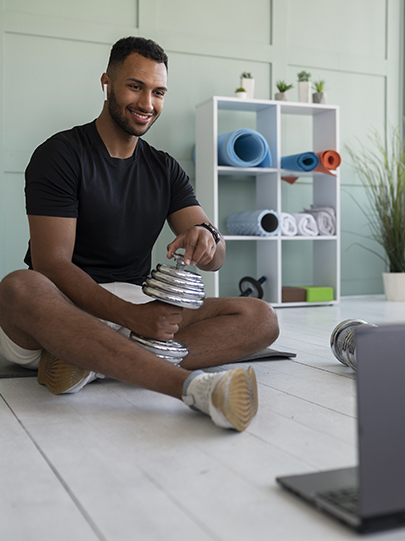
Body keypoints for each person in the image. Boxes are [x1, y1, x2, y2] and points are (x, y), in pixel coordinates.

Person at [0, 36, 279, 432]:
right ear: (107, 83)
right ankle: (194, 388)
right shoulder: (60, 154)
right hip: (61, 312)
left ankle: (90, 365)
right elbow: (53, 264)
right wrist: (134, 317)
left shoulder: (164, 169)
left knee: (260, 317)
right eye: (135, 86)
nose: (147, 103)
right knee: (19, 287)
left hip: (136, 308)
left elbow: (217, 255)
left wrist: (207, 239)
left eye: (158, 92)